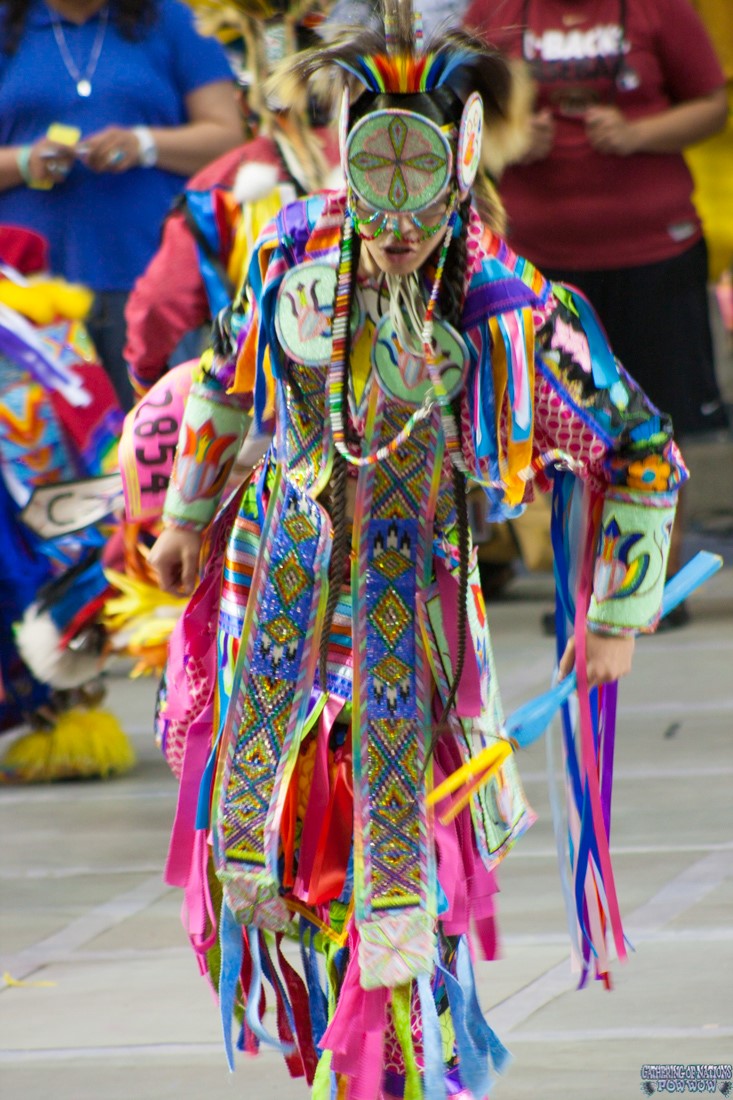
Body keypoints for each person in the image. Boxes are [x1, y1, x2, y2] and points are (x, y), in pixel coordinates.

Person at [141, 6, 687, 1097]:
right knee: (280, 869)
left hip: (414, 629)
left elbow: (641, 450)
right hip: (276, 604)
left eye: (420, 216)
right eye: (375, 215)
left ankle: (386, 1073)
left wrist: (617, 621)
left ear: (461, 178)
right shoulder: (292, 247)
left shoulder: (510, 307)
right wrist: (185, 518)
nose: (394, 239)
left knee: (396, 893)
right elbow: (227, 384)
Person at [463, 0, 729, 609]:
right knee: (553, 427)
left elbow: (712, 105)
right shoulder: (493, 11)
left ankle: (647, 584)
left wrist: (641, 133)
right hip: (532, 264)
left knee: (654, 420)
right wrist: (506, 140)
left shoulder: (662, 10)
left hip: (652, 251)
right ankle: (580, 587)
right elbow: (449, 120)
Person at [0, 0, 243, 409]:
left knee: (161, 451)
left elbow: (229, 139)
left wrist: (144, 145)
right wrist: (24, 162)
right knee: (51, 460)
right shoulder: (8, 23)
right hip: (24, 300)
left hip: (153, 288)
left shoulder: (172, 19)